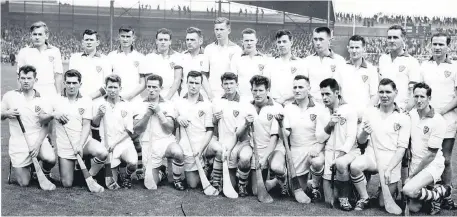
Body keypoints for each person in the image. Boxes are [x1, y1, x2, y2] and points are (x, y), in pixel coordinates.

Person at [350, 78, 410, 211]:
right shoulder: (370, 112)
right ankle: (364, 198)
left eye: (388, 92)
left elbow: (401, 149)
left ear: (396, 93)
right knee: (355, 166)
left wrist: (389, 169)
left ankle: (386, 192)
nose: (384, 95)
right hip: (372, 155)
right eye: (381, 92)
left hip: (391, 159)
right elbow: (361, 141)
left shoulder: (403, 117)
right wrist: (364, 133)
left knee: (382, 203)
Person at [40, 70, 107, 188]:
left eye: (74, 83)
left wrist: (80, 145)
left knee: (102, 152)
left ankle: (90, 176)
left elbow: (87, 125)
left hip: (83, 143)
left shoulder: (86, 100)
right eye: (68, 83)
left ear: (80, 84)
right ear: (64, 83)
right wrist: (53, 114)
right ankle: (78, 173)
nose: (71, 86)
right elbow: (41, 118)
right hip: (65, 146)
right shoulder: (56, 100)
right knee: (67, 184)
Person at [1, 65, 56, 186]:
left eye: (29, 78)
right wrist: (6, 113)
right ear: (18, 79)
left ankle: (45, 172)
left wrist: (37, 145)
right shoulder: (10, 96)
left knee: (50, 158)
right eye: (23, 78)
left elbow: (45, 125)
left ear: (35, 80)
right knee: (24, 183)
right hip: (18, 141)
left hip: (37, 138)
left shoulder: (43, 99)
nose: (26, 81)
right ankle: (30, 167)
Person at [419, 32, 457, 210]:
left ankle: (447, 195)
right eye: (434, 44)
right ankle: (430, 194)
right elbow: (418, 92)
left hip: (447, 118)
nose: (437, 47)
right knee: (428, 156)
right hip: (427, 119)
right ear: (430, 45)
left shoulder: (455, 66)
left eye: (441, 44)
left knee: (447, 159)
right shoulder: (424, 66)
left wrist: (441, 111)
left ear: (448, 46)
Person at [403, 82, 451, 215]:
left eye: (422, 97)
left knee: (408, 190)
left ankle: (438, 193)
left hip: (432, 164)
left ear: (429, 98)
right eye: (416, 96)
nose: (418, 100)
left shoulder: (438, 120)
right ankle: (433, 192)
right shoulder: (411, 115)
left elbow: (431, 155)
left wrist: (412, 176)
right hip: (415, 163)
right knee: (414, 208)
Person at [235, 75, 287, 196]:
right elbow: (238, 134)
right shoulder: (246, 106)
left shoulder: (277, 107)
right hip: (255, 149)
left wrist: (264, 159)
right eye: (255, 90)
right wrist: (246, 124)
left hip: (274, 149)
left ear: (267, 90)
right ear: (251, 90)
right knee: (256, 191)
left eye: (261, 90)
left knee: (277, 167)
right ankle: (242, 184)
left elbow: (275, 138)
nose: (257, 94)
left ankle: (280, 180)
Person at [133, 74, 186, 190]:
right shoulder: (139, 104)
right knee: (150, 185)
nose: (151, 90)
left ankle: (177, 180)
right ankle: (162, 172)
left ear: (161, 88)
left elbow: (169, 129)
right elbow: (137, 130)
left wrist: (159, 112)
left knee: (178, 152)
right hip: (148, 144)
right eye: (149, 87)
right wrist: (147, 115)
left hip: (166, 141)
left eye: (155, 87)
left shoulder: (168, 104)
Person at [175, 71, 223, 190]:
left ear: (201, 85)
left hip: (205, 144)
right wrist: (178, 117)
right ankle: (206, 167)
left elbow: (210, 130)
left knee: (219, 149)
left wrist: (201, 149)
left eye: (197, 83)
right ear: (186, 83)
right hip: (188, 144)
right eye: (191, 82)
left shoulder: (207, 105)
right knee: (193, 184)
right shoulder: (179, 102)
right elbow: (174, 115)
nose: (193, 86)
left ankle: (213, 174)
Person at [282, 75, 326, 201]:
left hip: (314, 148)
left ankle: (316, 186)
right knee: (295, 191)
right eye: (294, 87)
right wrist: (280, 127)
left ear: (309, 88)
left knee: (317, 162)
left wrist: (317, 149)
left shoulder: (319, 108)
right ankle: (306, 183)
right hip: (296, 149)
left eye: (300, 87)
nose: (297, 90)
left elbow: (324, 135)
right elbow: (286, 134)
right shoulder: (288, 108)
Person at [317, 78, 358, 210]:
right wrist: (329, 125)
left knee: (340, 165)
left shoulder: (349, 110)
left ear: (337, 93)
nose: (324, 97)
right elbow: (320, 138)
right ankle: (316, 186)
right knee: (329, 200)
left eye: (327, 94)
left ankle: (345, 198)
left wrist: (340, 156)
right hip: (329, 152)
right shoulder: (322, 112)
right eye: (322, 94)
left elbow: (351, 137)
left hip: (348, 152)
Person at [91, 75, 138, 189]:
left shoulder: (126, 105)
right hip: (106, 144)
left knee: (133, 163)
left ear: (120, 88)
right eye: (110, 87)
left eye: (115, 87)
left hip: (123, 142)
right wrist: (98, 115)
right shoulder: (98, 104)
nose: (112, 90)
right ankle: (106, 171)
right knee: (110, 184)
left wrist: (115, 143)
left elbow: (129, 131)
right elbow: (94, 125)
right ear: (105, 88)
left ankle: (125, 175)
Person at [212, 72, 250, 196]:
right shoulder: (217, 102)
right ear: (222, 85)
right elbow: (214, 125)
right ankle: (215, 182)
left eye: (231, 83)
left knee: (244, 158)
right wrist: (215, 119)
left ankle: (243, 185)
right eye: (226, 84)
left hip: (241, 143)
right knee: (228, 186)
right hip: (224, 143)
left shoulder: (245, 102)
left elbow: (244, 130)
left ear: (237, 84)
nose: (228, 86)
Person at [378, 25, 421, 111]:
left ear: (403, 39)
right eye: (389, 38)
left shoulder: (412, 61)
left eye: (395, 37)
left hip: (401, 109)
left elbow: (415, 91)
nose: (392, 40)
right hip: (383, 110)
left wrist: (406, 110)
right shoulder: (383, 59)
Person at [17, 21, 63, 100]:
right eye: (34, 34)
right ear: (31, 36)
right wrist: (20, 94)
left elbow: (58, 75)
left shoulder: (55, 51)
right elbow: (19, 76)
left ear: (46, 36)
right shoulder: (24, 52)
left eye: (40, 34)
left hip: (49, 90)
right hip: (30, 91)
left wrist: (58, 95)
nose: (37, 37)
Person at [302, 27, 345, 105]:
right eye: (315, 39)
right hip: (312, 105)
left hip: (331, 105)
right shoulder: (307, 60)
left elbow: (340, 87)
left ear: (329, 41)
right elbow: (304, 85)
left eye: (321, 39)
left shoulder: (339, 60)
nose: (318, 43)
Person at [339, 35, 379, 120]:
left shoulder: (371, 69)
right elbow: (337, 93)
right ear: (348, 48)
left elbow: (374, 96)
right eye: (352, 47)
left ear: (363, 49)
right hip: (344, 115)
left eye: (357, 47)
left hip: (363, 117)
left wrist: (366, 114)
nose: (354, 50)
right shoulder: (341, 67)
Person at [204, 17, 242, 99]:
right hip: (213, 94)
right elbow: (204, 75)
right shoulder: (208, 49)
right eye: (216, 29)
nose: (218, 32)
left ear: (229, 31)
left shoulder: (236, 49)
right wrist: (210, 94)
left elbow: (237, 75)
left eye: (221, 29)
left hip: (230, 94)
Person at [265, 29, 304, 105]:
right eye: (279, 42)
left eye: (284, 41)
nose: (281, 44)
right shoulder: (270, 63)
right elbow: (266, 85)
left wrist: (284, 98)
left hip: (294, 103)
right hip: (274, 103)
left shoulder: (300, 63)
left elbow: (303, 86)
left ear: (291, 42)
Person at [68, 29, 111, 99]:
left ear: (97, 42)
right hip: (79, 100)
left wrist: (91, 97)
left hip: (98, 101)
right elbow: (71, 81)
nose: (88, 42)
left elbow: (107, 83)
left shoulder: (105, 60)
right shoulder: (75, 58)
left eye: (91, 40)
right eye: (87, 40)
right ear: (82, 42)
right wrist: (81, 98)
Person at [230, 28, 270, 101]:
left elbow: (266, 82)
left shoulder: (264, 59)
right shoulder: (236, 58)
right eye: (246, 40)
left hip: (258, 100)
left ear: (256, 41)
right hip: (240, 99)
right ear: (242, 41)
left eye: (251, 40)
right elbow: (233, 80)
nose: (249, 43)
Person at [144, 28, 183, 101]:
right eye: (160, 39)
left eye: (165, 40)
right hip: (154, 95)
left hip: (172, 96)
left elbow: (177, 79)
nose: (163, 42)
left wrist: (167, 98)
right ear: (156, 41)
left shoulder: (178, 57)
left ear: (170, 42)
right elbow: (148, 80)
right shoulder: (148, 57)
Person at [179, 27, 212, 100]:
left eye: (192, 40)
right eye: (187, 40)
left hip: (203, 98)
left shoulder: (208, 56)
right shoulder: (181, 56)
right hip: (184, 98)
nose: (189, 42)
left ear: (200, 41)